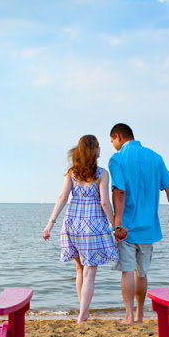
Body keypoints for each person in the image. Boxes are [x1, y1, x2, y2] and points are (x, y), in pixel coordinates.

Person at [108, 123, 169, 325]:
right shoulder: (155, 157)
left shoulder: (117, 158)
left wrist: (117, 225)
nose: (113, 145)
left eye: (112, 141)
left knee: (127, 271)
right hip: (149, 227)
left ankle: (128, 316)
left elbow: (120, 192)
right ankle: (140, 315)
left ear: (118, 137)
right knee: (141, 273)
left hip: (126, 228)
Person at [43, 135, 119, 323]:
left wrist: (50, 223)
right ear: (95, 151)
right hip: (93, 226)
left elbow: (62, 198)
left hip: (72, 225)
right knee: (90, 273)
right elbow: (104, 202)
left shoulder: (72, 173)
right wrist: (115, 226)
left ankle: (83, 311)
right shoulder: (102, 174)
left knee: (79, 269)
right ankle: (82, 314)